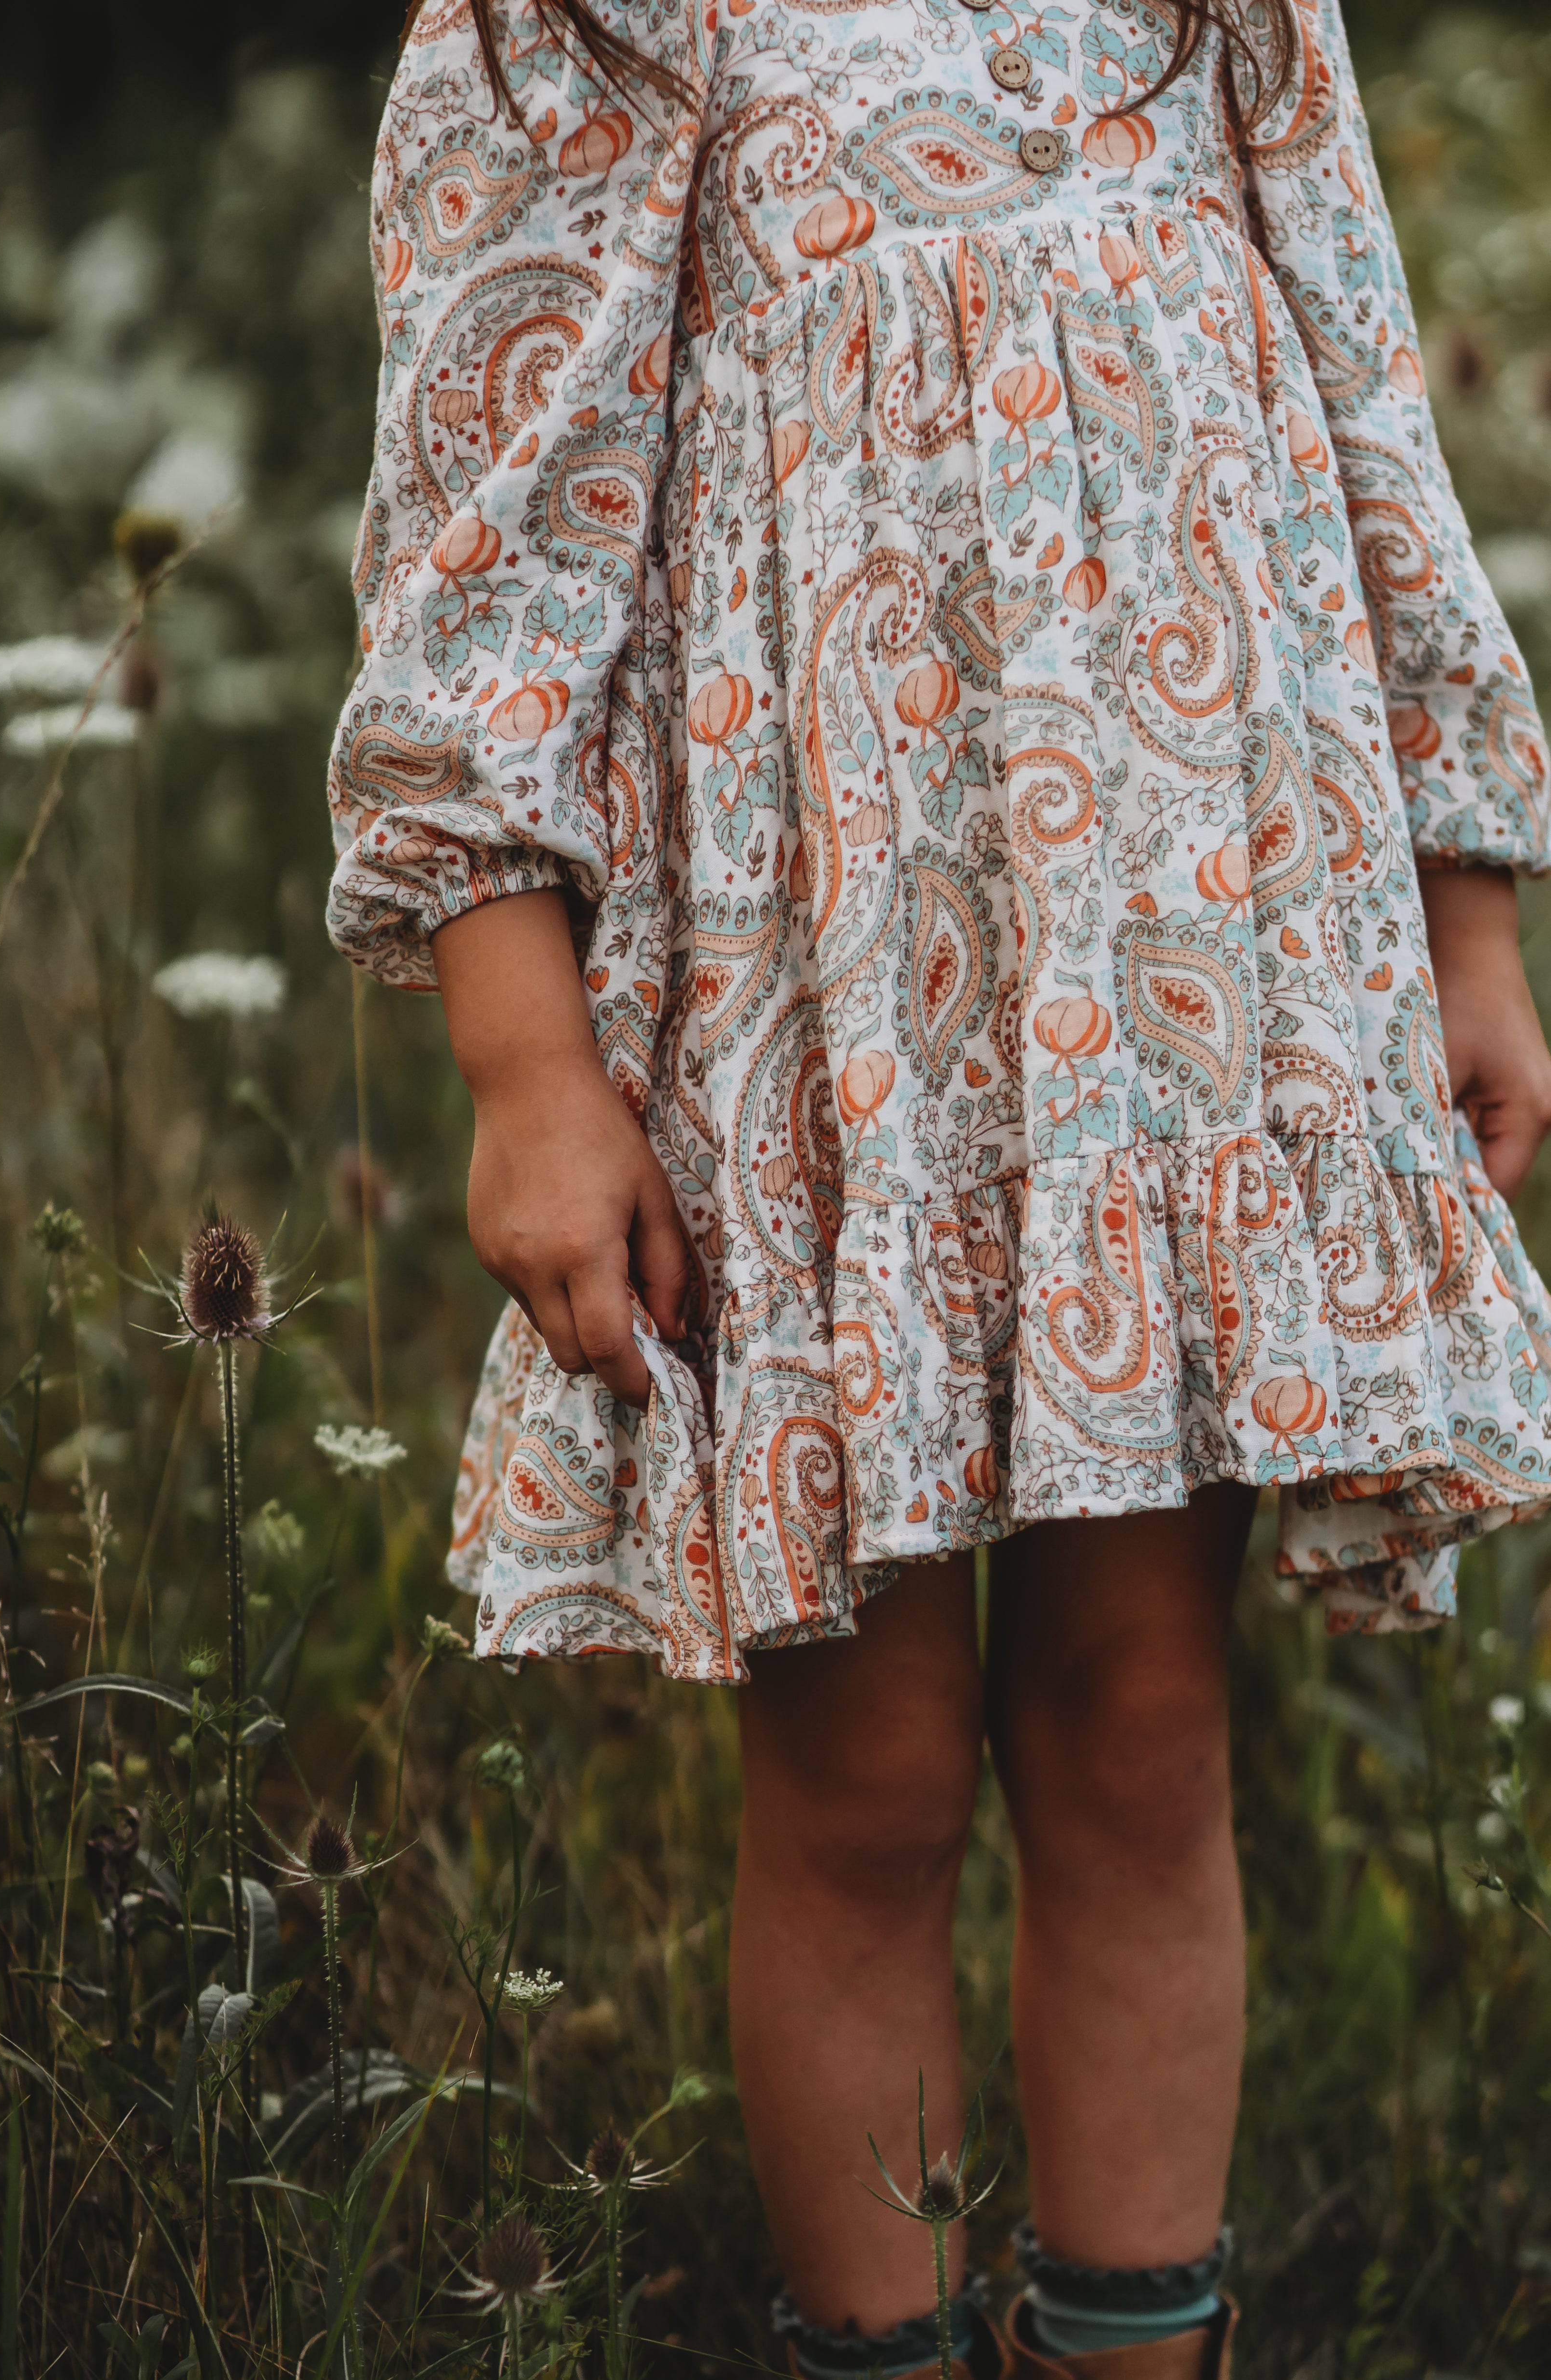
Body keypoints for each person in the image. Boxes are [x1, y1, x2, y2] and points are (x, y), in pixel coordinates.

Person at [325, 0, 1551, 2365]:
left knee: (1136, 1722)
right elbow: (493, 525)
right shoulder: (597, 25)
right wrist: (522, 1059)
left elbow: (1364, 389)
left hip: (1185, 978)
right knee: (867, 1770)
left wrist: (1466, 907)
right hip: (825, 1024)